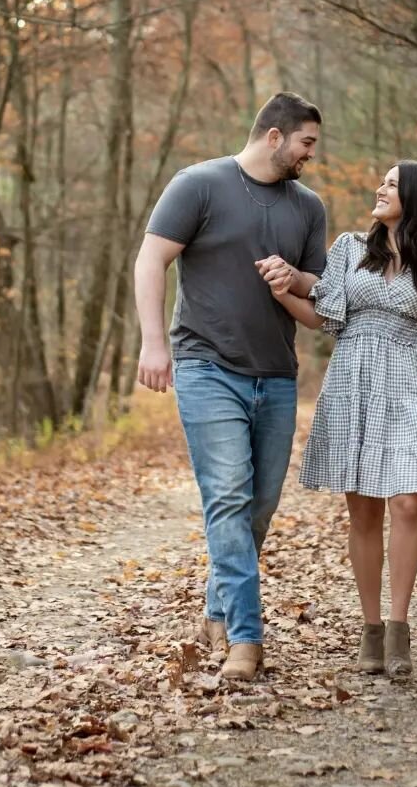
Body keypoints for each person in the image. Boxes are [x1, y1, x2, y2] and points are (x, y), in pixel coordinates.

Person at [135, 92, 328, 682]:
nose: (310, 155)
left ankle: (216, 611)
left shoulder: (309, 207)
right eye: (306, 143)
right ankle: (246, 641)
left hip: (274, 373)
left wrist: (292, 280)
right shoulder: (198, 184)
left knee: (259, 509)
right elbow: (150, 261)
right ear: (275, 136)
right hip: (205, 364)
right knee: (227, 497)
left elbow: (319, 299)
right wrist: (152, 343)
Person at [259, 160, 417, 678]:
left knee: (407, 502)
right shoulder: (350, 250)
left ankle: (400, 628)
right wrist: (283, 294)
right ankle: (371, 629)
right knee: (364, 512)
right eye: (381, 181)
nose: (380, 189)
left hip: (408, 389)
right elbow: (324, 317)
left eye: (393, 184)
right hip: (352, 381)